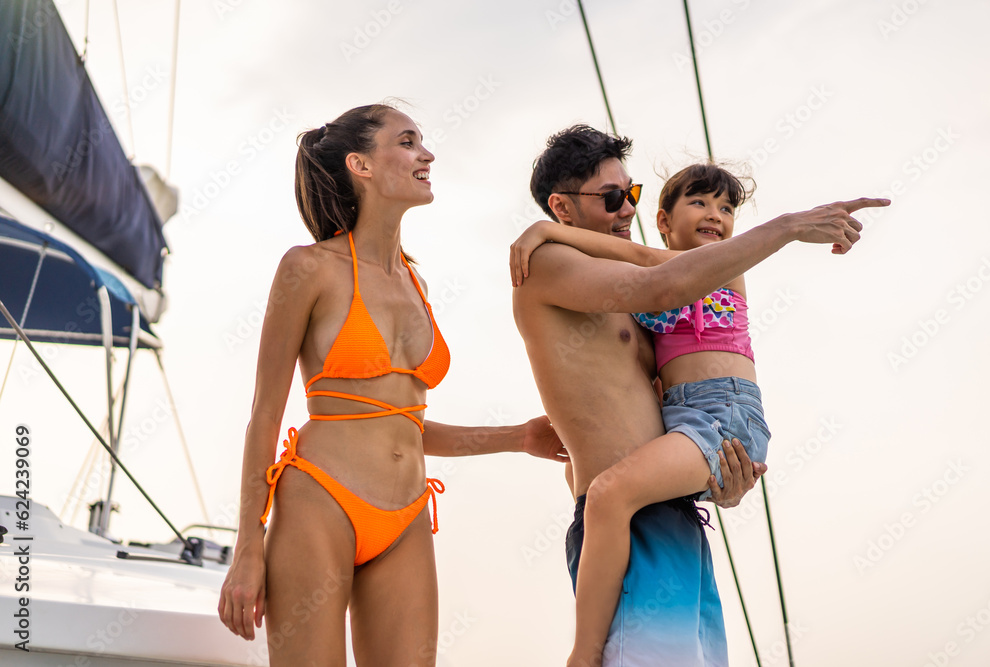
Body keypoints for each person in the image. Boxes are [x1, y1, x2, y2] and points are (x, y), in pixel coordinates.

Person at [510, 125, 887, 667]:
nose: (627, 211)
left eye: (632, 195)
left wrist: (721, 484)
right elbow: (655, 280)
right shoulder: (552, 266)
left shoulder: (649, 302)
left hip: (681, 513)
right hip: (628, 524)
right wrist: (544, 236)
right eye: (614, 198)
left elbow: (651, 292)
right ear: (561, 208)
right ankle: (582, 654)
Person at [216, 103, 567, 667]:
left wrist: (520, 437)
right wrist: (248, 547)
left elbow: (404, 422)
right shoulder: (307, 268)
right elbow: (265, 411)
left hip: (405, 512)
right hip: (320, 500)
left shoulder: (416, 280)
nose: (426, 154)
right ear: (361, 164)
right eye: (407, 142)